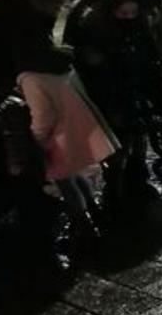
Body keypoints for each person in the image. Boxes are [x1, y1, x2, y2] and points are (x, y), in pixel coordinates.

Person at [71, 0, 162, 211]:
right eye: (122, 13)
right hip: (112, 96)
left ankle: (137, 181)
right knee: (119, 146)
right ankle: (114, 189)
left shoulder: (138, 31)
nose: (128, 18)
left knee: (137, 139)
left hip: (135, 93)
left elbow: (148, 60)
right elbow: (96, 72)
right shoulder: (98, 34)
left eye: (132, 13)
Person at [17, 69, 117, 248]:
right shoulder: (58, 65)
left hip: (57, 139)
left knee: (66, 184)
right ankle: (94, 211)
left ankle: (83, 227)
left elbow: (43, 117)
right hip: (75, 130)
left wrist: (37, 142)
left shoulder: (31, 79)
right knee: (74, 175)